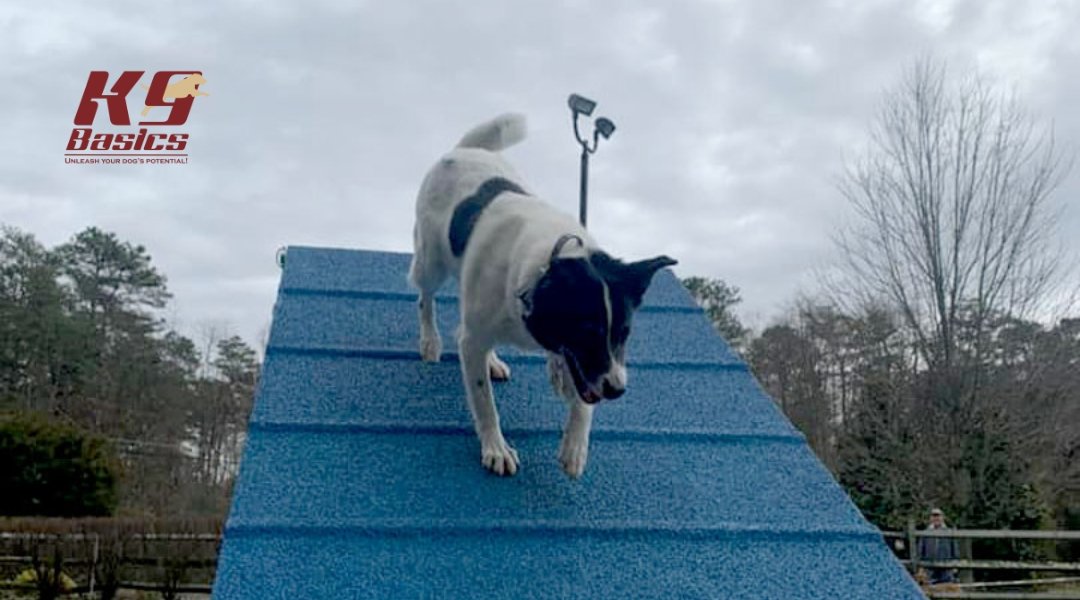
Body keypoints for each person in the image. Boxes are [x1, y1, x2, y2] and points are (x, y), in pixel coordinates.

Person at [918, 508, 959, 584]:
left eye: (938, 516)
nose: (936, 518)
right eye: (934, 516)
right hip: (929, 567)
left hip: (946, 567)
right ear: (930, 518)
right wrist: (921, 566)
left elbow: (955, 549)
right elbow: (921, 550)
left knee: (946, 587)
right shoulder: (925, 533)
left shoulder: (949, 532)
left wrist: (955, 565)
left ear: (942, 517)